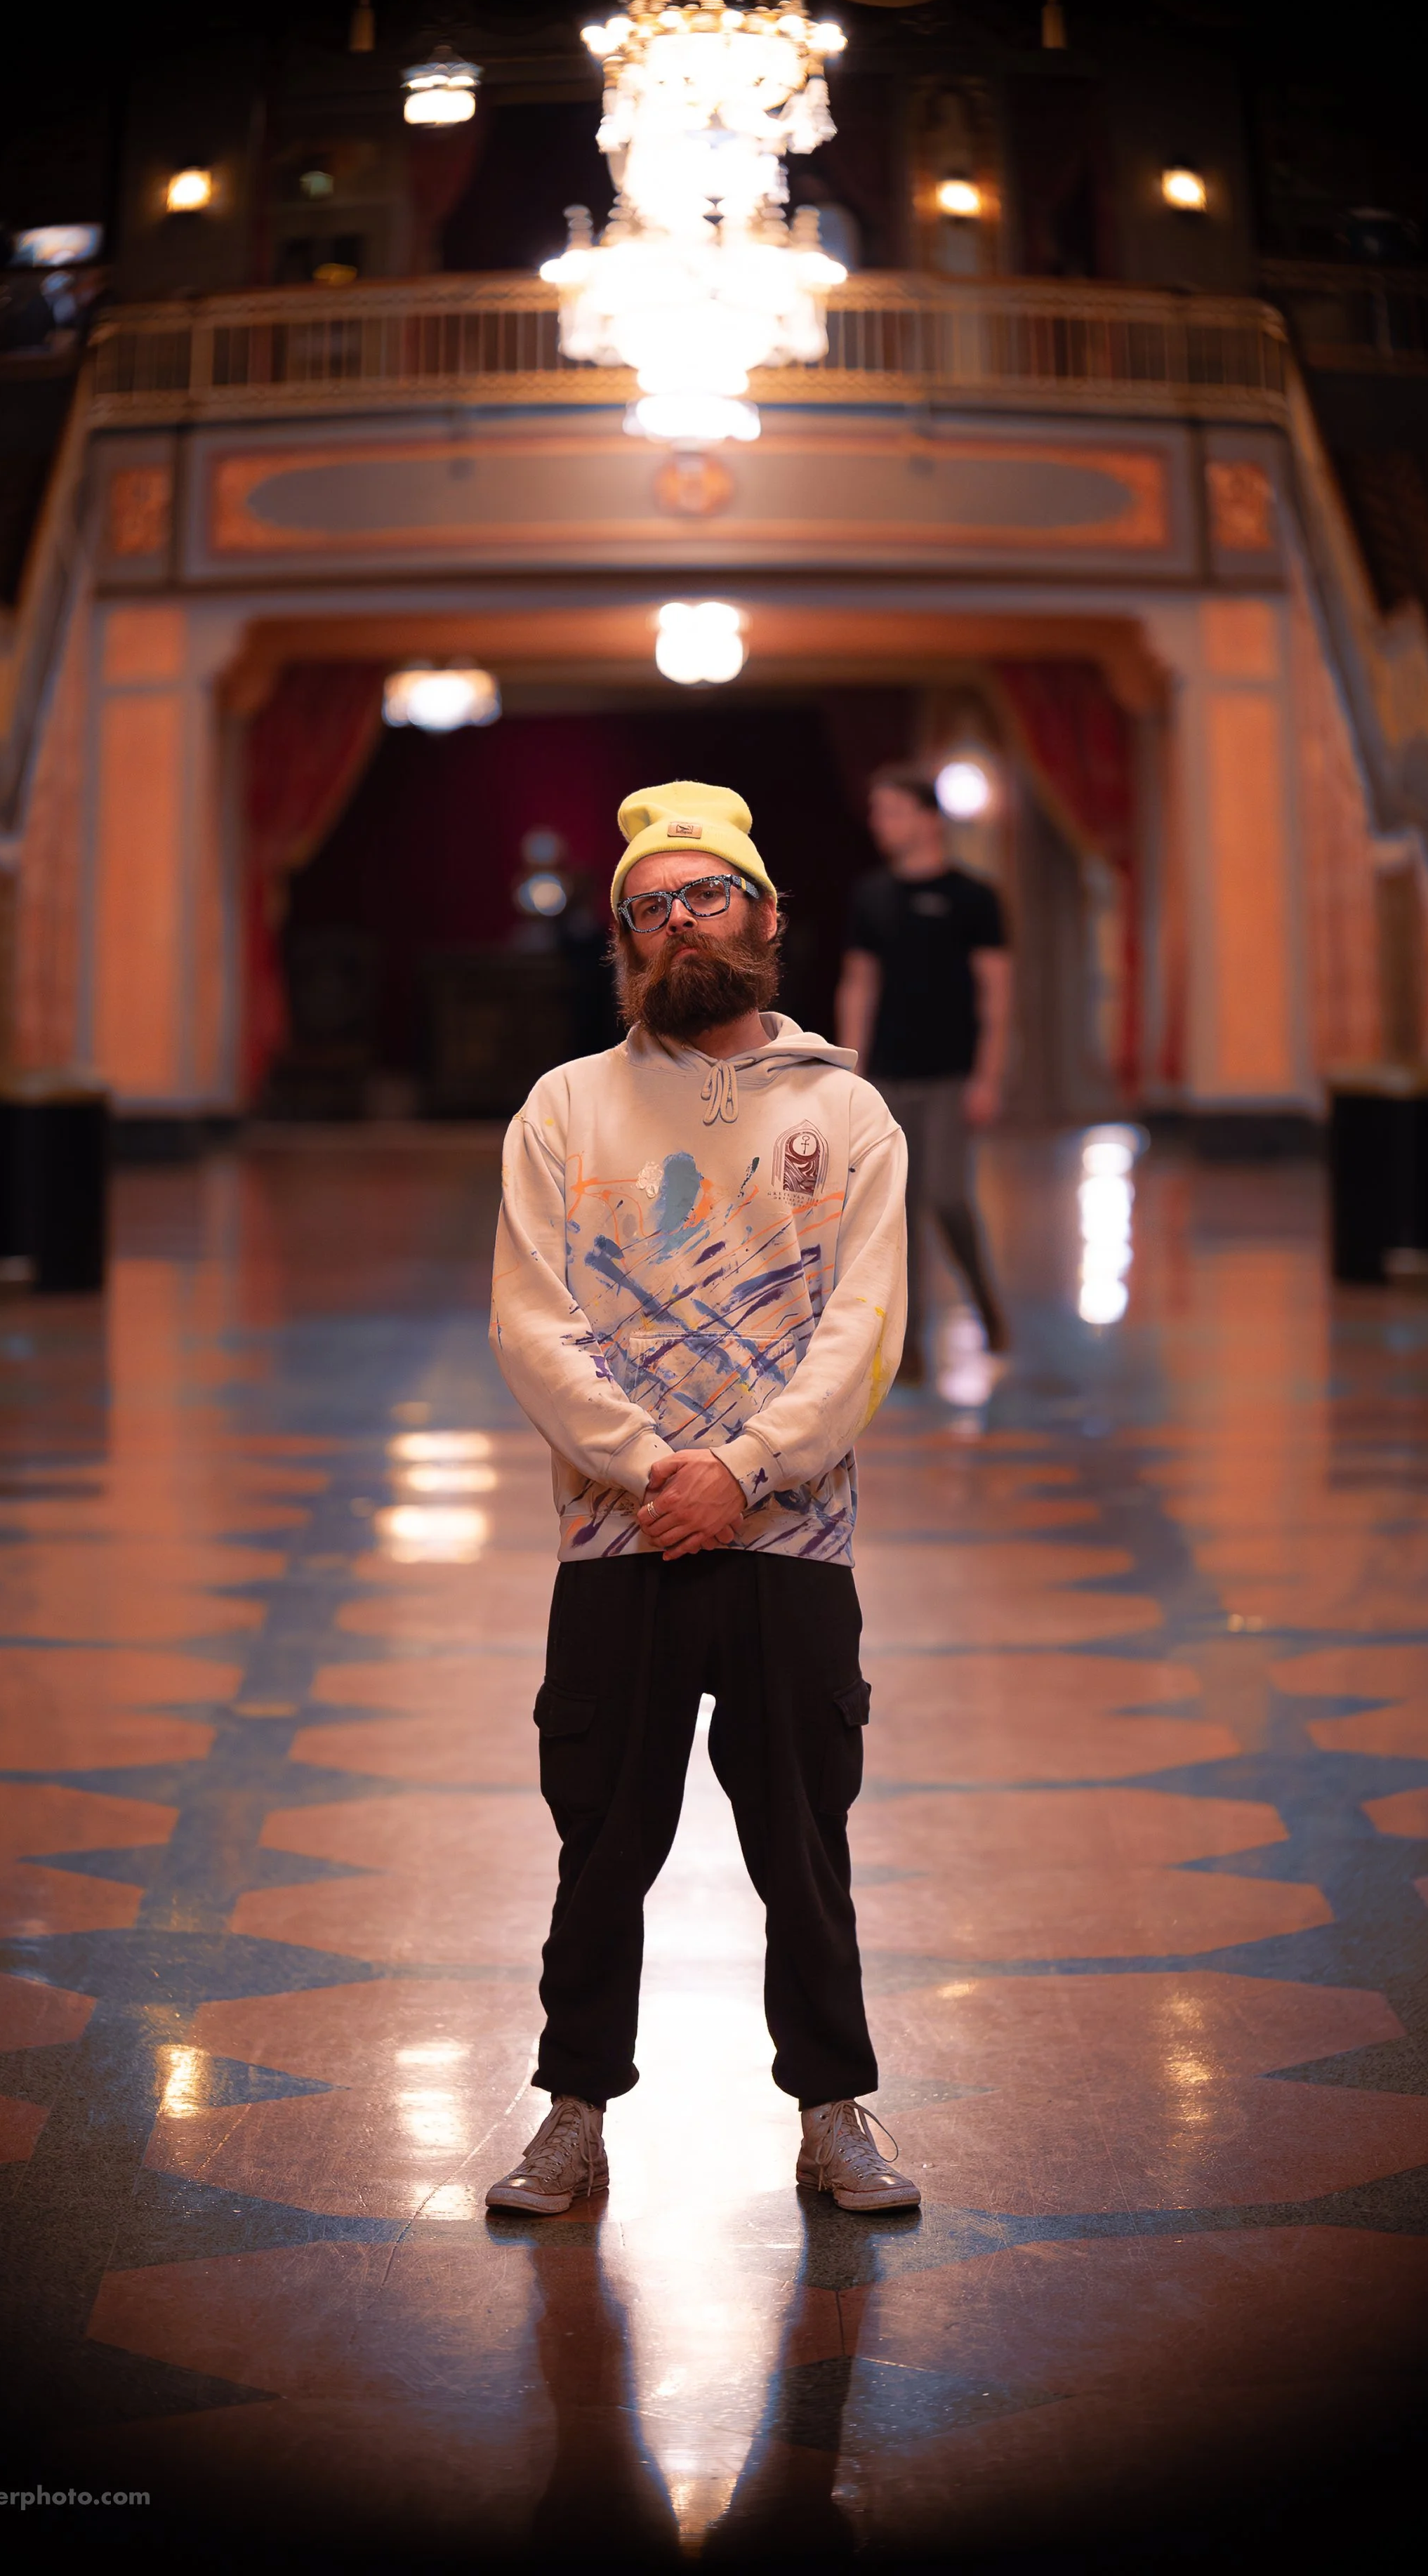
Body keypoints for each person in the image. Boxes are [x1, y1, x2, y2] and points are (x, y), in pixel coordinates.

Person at [485, 779, 921, 2219]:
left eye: (707, 893)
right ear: (624, 937)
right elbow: (529, 1322)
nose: (682, 921)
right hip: (616, 1541)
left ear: (765, 913)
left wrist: (741, 1469)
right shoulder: (564, 1106)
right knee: (600, 1844)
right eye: (652, 905)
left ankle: (834, 2112)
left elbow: (867, 1327)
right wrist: (649, 1468)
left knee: (804, 1844)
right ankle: (571, 2114)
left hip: (794, 1539)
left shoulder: (846, 1112)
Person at [835, 765, 1012, 1384]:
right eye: (876, 812)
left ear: (928, 819)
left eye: (892, 811)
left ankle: (985, 1300)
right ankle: (906, 1345)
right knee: (896, 1213)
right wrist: (852, 1072)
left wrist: (988, 1076)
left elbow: (996, 993)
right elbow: (860, 985)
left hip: (952, 1076)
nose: (879, 823)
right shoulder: (872, 896)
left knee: (947, 1195)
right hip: (889, 1076)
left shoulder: (975, 898)